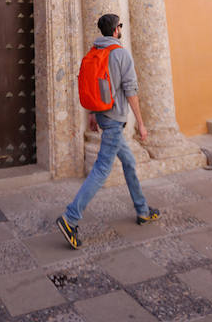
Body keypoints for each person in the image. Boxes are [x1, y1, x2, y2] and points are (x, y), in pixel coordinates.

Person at [56, 13, 160, 249]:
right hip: (114, 120)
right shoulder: (121, 54)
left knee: (129, 161)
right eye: (120, 26)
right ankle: (70, 218)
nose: (120, 29)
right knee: (102, 169)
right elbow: (131, 90)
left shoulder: (94, 51)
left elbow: (95, 84)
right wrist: (141, 123)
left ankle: (142, 210)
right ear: (116, 30)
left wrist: (93, 114)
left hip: (103, 115)